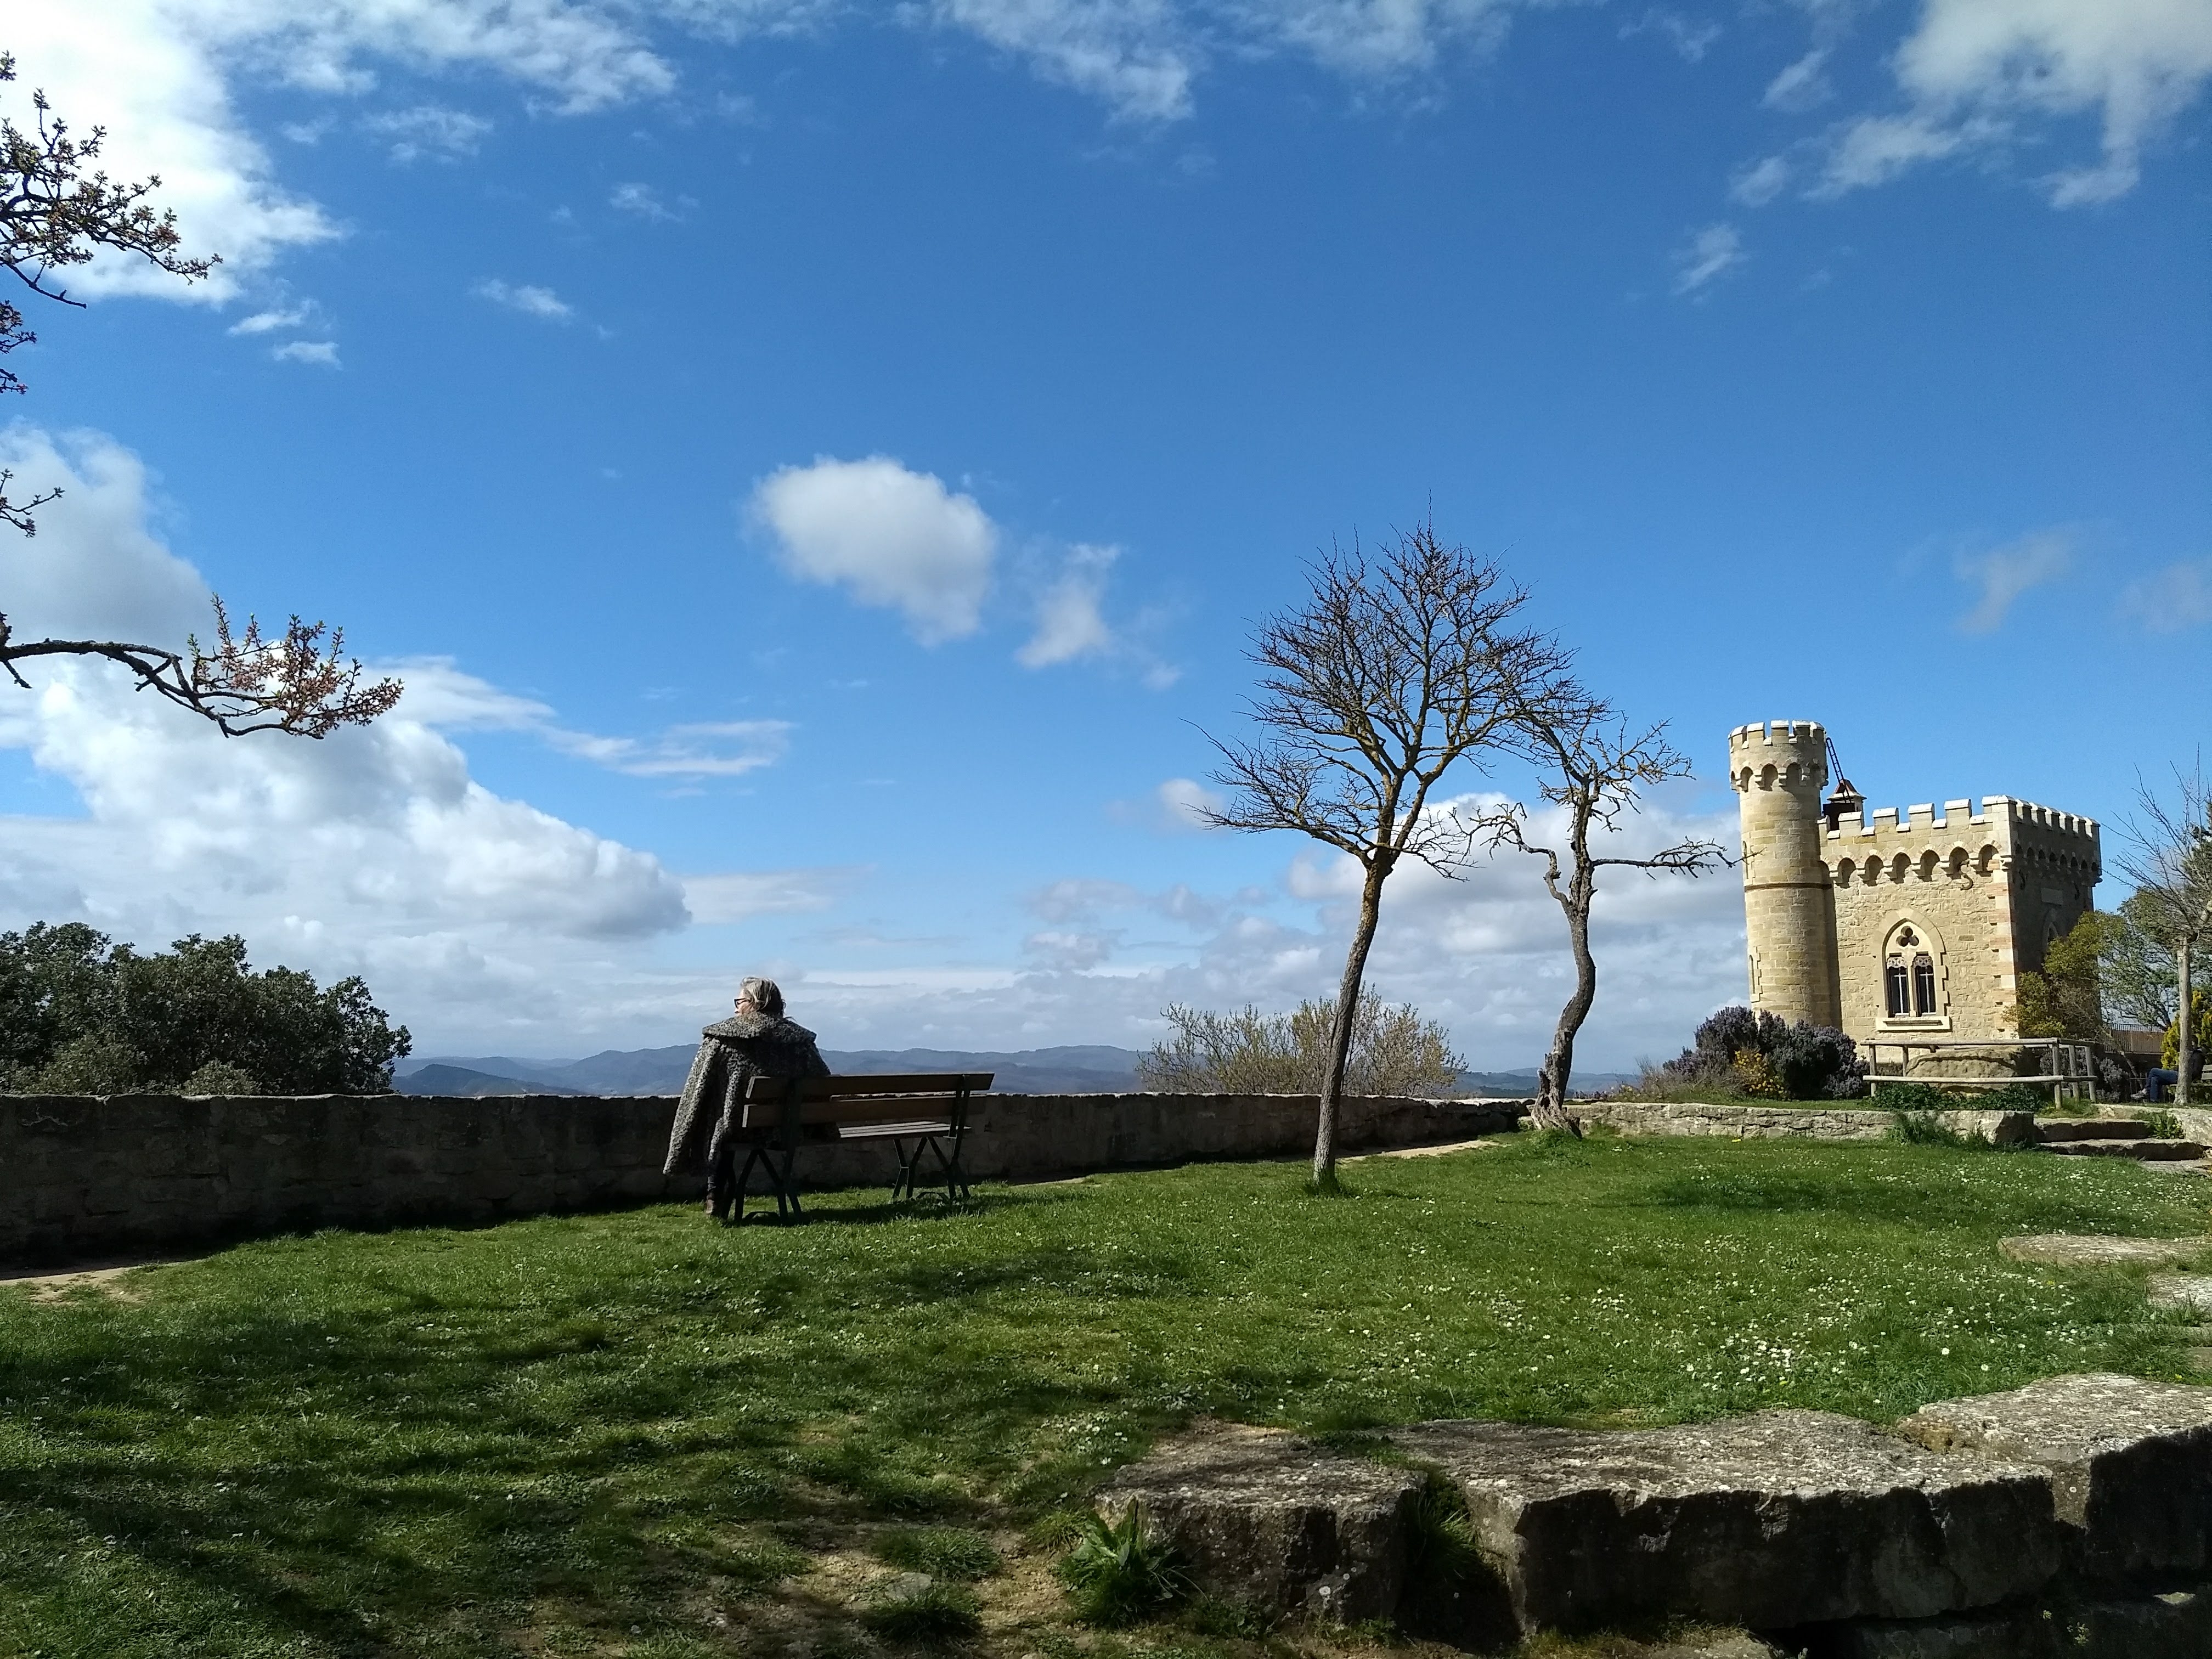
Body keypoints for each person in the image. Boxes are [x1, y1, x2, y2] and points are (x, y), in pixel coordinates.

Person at [663, 978, 831, 1221]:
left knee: (719, 1123)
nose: (735, 1008)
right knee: (728, 1123)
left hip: (738, 1130)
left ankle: (714, 1194)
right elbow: (822, 1081)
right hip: (788, 1129)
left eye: (739, 1001)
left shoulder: (722, 1039)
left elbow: (697, 1090)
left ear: (754, 1003)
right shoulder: (799, 1042)